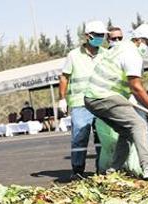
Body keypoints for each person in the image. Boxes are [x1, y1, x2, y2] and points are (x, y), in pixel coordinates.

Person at [84, 23, 148, 179]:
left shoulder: (121, 48)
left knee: (127, 132)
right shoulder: (132, 53)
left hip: (93, 97)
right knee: (138, 124)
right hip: (103, 95)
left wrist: (130, 98)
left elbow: (123, 81)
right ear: (139, 40)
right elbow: (136, 86)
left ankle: (113, 171)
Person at [58, 20, 107, 181]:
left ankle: (103, 169)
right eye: (97, 35)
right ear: (88, 36)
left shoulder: (106, 54)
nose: (100, 38)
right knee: (79, 137)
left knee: (102, 137)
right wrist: (62, 99)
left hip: (101, 101)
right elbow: (64, 77)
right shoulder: (73, 55)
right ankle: (77, 170)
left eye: (102, 35)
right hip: (80, 104)